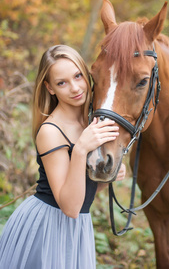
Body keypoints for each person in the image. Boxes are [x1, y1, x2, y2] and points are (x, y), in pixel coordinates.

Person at [0, 45, 126, 269]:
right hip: (48, 227)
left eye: (78, 76)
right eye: (62, 83)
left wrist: (107, 177)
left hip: (78, 228)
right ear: (49, 88)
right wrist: (80, 150)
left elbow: (84, 193)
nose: (75, 88)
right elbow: (70, 207)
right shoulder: (50, 131)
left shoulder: (91, 122)